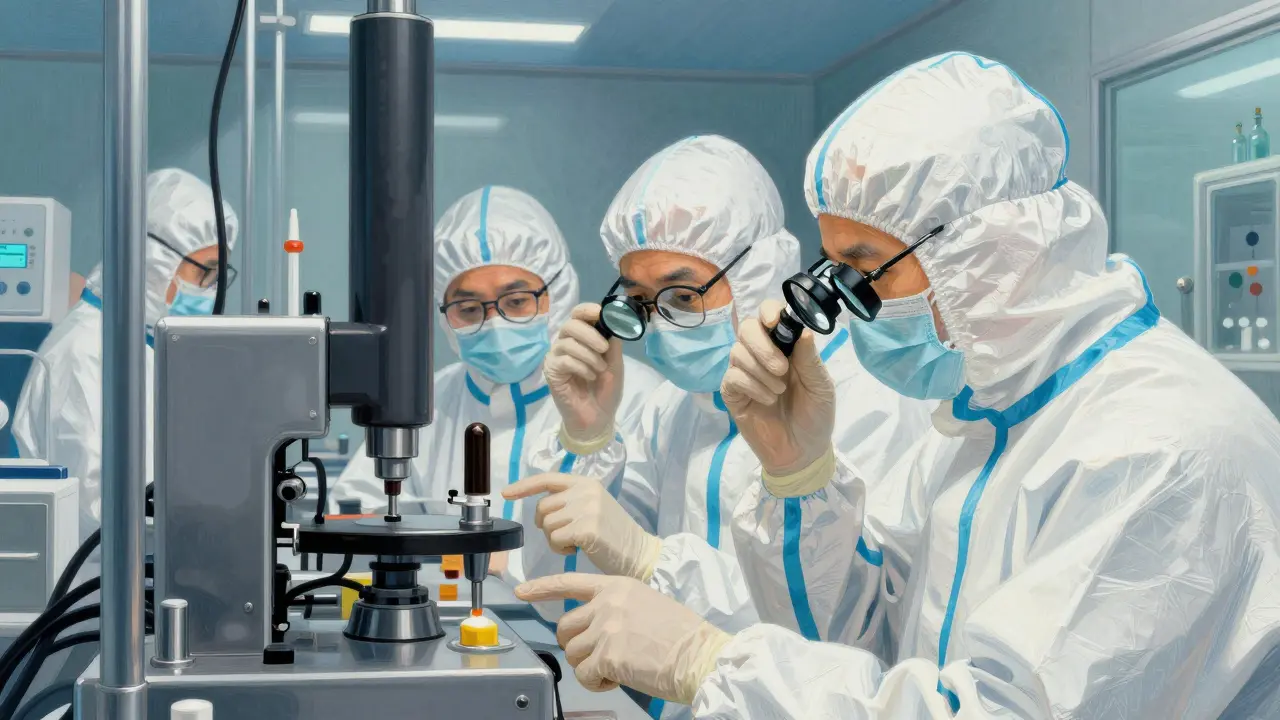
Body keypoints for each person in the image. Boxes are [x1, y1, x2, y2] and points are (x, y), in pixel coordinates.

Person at [514, 52, 1280, 719]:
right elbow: (865, 639)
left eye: (861, 267)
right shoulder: (984, 421)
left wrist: (710, 662)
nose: (838, 305)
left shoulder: (1159, 447)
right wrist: (800, 480)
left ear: (988, 245)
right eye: (832, 270)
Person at [505, 136, 931, 658]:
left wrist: (648, 559)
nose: (661, 323)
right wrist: (588, 436)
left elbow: (842, 634)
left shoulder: (866, 399)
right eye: (640, 301)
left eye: (683, 296)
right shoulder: (675, 406)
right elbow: (565, 598)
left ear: (756, 272)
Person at [329, 186, 662, 580]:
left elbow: (649, 544)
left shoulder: (640, 398)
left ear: (557, 291)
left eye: (517, 301)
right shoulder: (426, 400)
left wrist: (509, 565)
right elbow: (352, 516)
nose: (495, 322)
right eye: (468, 309)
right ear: (443, 315)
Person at [12, 168, 238, 540]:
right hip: (92, 586)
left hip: (136, 578)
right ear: (152, 260)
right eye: (206, 273)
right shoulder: (84, 350)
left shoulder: (135, 345)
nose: (211, 292)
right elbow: (98, 507)